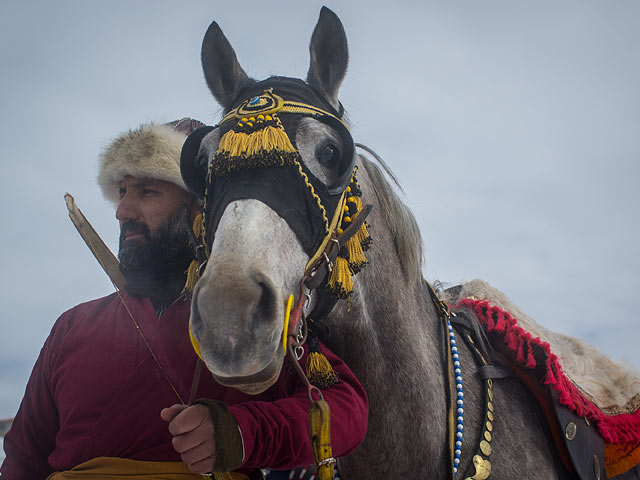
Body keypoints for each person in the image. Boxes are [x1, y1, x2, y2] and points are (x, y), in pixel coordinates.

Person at [1, 119, 368, 479]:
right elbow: (23, 458)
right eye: (123, 192)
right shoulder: (72, 326)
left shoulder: (247, 311)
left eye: (147, 192)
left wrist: (240, 433)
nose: (122, 212)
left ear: (198, 210)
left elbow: (346, 410)